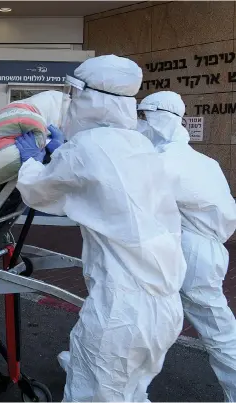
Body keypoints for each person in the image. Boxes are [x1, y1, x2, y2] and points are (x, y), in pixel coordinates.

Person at [14, 55, 187, 402]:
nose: (72, 102)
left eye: (76, 94)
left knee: (92, 395)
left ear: (93, 98)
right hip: (166, 308)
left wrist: (33, 162)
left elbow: (37, 191)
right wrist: (65, 152)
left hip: (121, 312)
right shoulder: (140, 145)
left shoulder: (88, 148)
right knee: (134, 391)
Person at [137, 91, 236, 402]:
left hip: (187, 250)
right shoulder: (204, 161)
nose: (139, 125)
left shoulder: (165, 161)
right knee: (211, 327)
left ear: (157, 119)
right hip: (207, 250)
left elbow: (126, 196)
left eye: (143, 117)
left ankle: (122, 390)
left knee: (144, 319)